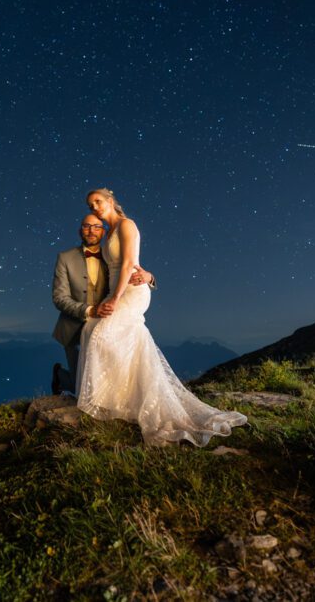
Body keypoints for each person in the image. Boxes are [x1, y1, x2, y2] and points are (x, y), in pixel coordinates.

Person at [76, 188, 248, 445]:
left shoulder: (126, 225)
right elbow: (122, 265)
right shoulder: (108, 232)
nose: (95, 207)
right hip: (118, 289)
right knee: (93, 329)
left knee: (102, 335)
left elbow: (127, 264)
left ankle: (113, 401)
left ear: (110, 201)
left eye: (98, 202)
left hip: (130, 292)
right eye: (91, 205)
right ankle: (122, 400)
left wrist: (116, 297)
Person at [51, 214, 155, 395]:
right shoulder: (64, 258)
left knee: (105, 381)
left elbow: (130, 269)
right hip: (74, 327)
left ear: (104, 232)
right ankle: (60, 376)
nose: (91, 230)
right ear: (80, 230)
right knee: (81, 388)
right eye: (86, 226)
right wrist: (90, 310)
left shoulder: (111, 256)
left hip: (107, 323)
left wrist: (150, 277)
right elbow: (59, 298)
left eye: (96, 227)